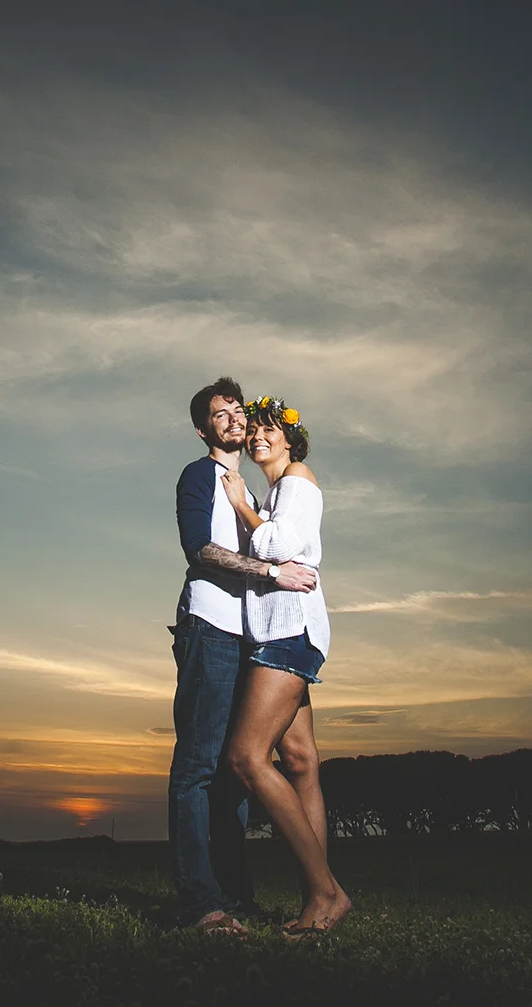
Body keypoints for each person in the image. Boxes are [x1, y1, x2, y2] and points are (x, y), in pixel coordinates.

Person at [170, 377, 318, 935]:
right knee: (198, 768)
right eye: (220, 413)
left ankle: (236, 898)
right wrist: (269, 571)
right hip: (209, 627)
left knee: (235, 773)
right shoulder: (200, 474)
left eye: (238, 410)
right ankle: (202, 904)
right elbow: (200, 549)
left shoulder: (253, 494)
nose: (233, 419)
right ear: (203, 427)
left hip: (246, 640)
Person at [220, 394, 350, 933]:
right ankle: (315, 903)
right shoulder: (277, 490)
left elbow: (281, 545)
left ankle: (327, 893)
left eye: (269, 429)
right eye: (254, 431)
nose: (257, 437)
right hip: (289, 633)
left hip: (287, 635)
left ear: (290, 439)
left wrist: (240, 506)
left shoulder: (296, 478)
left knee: (247, 758)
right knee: (298, 761)